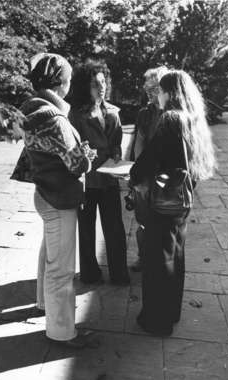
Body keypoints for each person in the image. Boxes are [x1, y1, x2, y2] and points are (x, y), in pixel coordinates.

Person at [15, 53, 97, 348]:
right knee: (61, 269)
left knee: (48, 255)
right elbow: (75, 165)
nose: (70, 84)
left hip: (45, 192)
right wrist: (87, 156)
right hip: (60, 197)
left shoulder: (31, 109)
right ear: (59, 82)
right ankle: (61, 332)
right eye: (68, 79)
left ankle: (42, 304)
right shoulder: (56, 118)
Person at [129, 70, 216, 336]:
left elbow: (151, 159)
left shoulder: (170, 119)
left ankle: (157, 321)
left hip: (163, 201)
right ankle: (171, 312)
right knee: (175, 256)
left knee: (158, 260)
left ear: (171, 92)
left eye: (161, 90)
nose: (158, 94)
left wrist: (133, 174)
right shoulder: (194, 119)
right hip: (182, 199)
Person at [69, 59, 130, 285]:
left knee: (114, 227)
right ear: (86, 86)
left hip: (109, 178)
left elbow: (116, 143)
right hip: (86, 179)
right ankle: (89, 274)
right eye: (95, 83)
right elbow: (73, 145)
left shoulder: (113, 112)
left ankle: (119, 273)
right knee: (86, 230)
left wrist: (116, 153)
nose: (101, 87)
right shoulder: (76, 114)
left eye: (103, 82)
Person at [131, 66, 168, 272]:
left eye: (155, 89)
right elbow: (139, 143)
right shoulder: (145, 114)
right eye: (148, 90)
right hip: (146, 174)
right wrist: (139, 176)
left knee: (163, 220)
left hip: (165, 176)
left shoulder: (172, 114)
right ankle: (143, 257)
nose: (151, 94)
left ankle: (161, 258)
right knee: (143, 219)